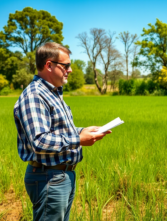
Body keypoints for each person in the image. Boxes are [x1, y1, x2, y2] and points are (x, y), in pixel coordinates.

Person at [13, 42, 111, 221]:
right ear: (49, 65)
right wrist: (79, 139)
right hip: (48, 177)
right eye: (66, 65)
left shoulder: (54, 93)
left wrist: (83, 131)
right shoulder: (35, 95)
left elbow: (58, 130)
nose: (71, 70)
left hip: (61, 176)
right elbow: (40, 141)